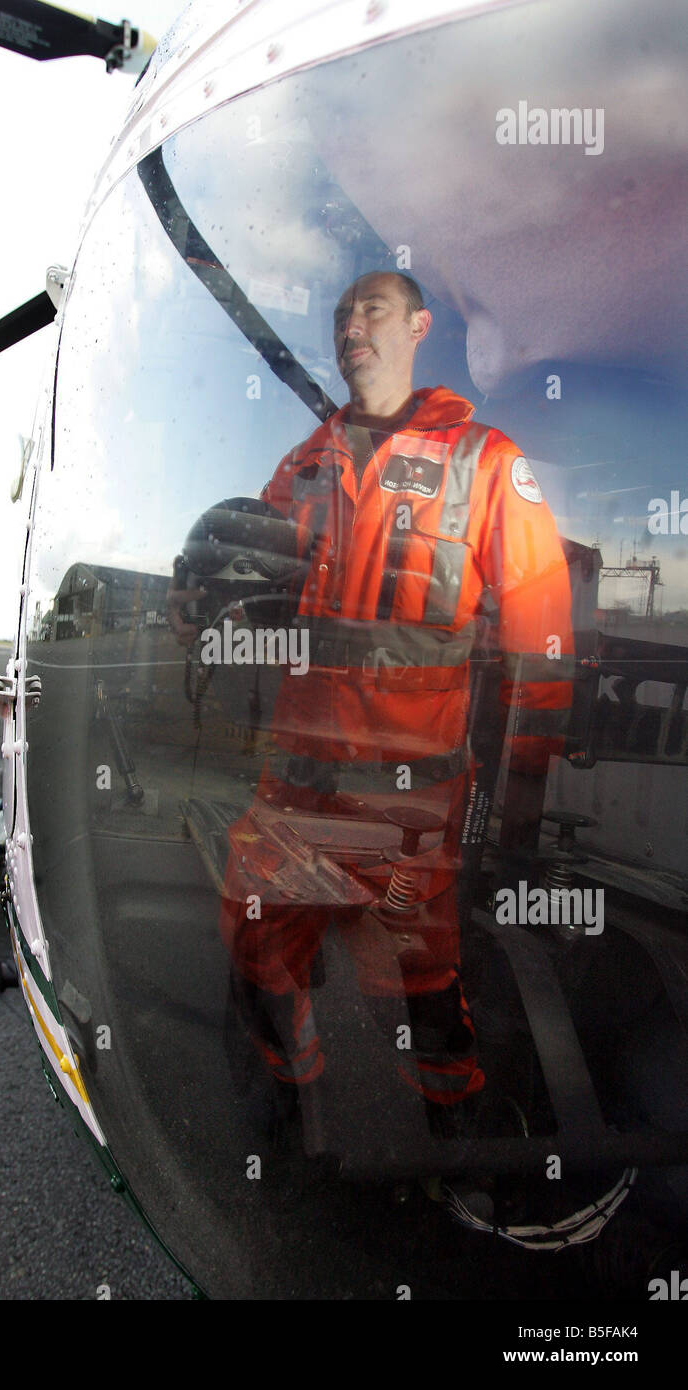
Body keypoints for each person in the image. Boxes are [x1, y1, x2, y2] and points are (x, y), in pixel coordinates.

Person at [171, 270, 574, 1130]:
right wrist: (194, 604)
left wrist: (526, 796)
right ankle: (277, 1126)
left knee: (424, 972)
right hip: (294, 788)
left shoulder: (485, 459)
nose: (352, 322)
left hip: (410, 801)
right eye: (343, 312)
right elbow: (241, 580)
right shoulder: (305, 463)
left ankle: (458, 1140)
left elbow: (541, 628)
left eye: (373, 308)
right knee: (255, 940)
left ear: (420, 326)